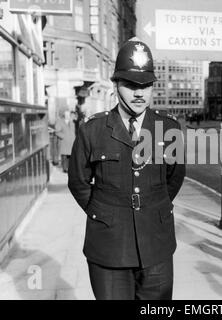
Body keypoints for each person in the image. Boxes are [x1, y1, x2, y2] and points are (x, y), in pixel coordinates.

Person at [68, 37, 185, 300]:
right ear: (116, 84)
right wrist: (104, 212)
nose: (140, 93)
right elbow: (78, 181)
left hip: (156, 245)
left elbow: (174, 177)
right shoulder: (92, 129)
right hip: (108, 247)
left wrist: (154, 207)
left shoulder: (168, 129)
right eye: (131, 85)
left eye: (146, 85)